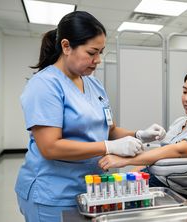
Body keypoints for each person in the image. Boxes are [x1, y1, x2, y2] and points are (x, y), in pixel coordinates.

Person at [15, 11, 165, 222]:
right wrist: (108, 147)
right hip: (53, 193)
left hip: (91, 190)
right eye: (92, 52)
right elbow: (50, 147)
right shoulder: (45, 85)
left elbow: (109, 130)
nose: (98, 60)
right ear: (66, 47)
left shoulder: (93, 84)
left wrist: (139, 134)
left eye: (101, 52)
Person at [98, 67, 187, 198]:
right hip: (154, 179)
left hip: (177, 191)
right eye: (185, 92)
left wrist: (125, 160)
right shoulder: (181, 122)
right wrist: (129, 177)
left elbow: (179, 150)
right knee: (105, 194)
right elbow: (161, 152)